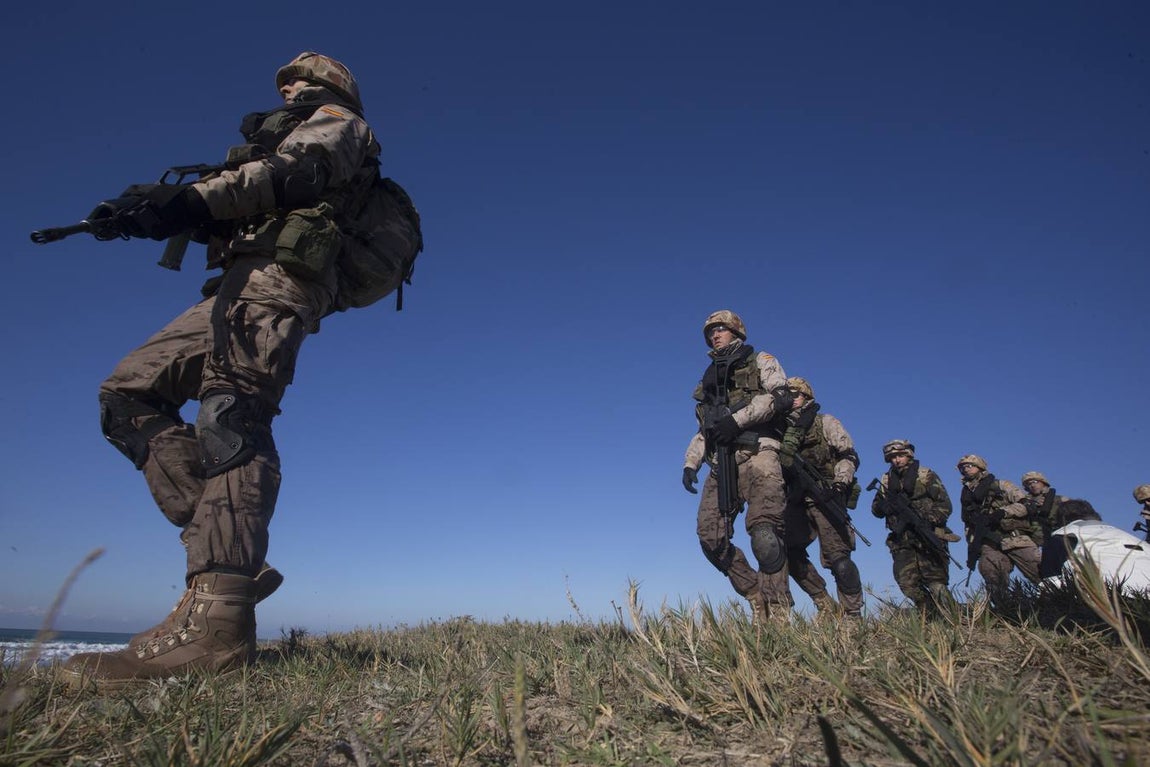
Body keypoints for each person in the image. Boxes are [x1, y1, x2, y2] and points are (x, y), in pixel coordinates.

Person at [65, 53, 384, 686]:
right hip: (232, 289)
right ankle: (223, 552)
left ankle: (217, 625)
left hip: (279, 283)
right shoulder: (283, 129)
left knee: (231, 415)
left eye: (298, 79)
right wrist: (145, 212)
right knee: (128, 394)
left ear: (331, 88)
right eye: (285, 83)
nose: (286, 87)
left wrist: (184, 202)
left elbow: (293, 176)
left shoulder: (335, 121)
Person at [682, 310, 795, 625]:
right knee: (710, 537)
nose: (714, 335)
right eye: (710, 332)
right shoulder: (708, 380)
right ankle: (755, 594)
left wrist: (738, 420)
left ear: (736, 332)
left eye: (720, 329)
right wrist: (691, 462)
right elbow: (705, 428)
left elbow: (780, 396)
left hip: (759, 452)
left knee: (765, 534)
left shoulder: (761, 360)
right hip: (722, 460)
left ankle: (779, 613)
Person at [778, 377, 864, 618]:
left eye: (795, 394)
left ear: (806, 397)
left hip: (824, 496)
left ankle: (852, 612)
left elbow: (848, 455)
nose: (791, 399)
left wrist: (839, 485)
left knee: (839, 559)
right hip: (795, 500)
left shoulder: (824, 422)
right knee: (786, 553)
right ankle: (824, 603)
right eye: (787, 394)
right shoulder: (779, 430)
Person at [870, 440, 958, 614]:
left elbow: (945, 504)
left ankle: (952, 617)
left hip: (927, 535)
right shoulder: (886, 481)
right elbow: (875, 509)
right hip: (901, 540)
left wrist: (929, 519)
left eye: (900, 455)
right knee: (907, 584)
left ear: (908, 455)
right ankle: (929, 614)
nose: (897, 460)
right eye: (893, 457)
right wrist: (883, 507)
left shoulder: (925, 475)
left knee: (936, 582)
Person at [958, 455, 1040, 601]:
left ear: (980, 467)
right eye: (963, 467)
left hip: (1015, 538)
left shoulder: (1002, 485)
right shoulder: (966, 495)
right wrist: (972, 548)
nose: (966, 469)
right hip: (989, 544)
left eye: (970, 465)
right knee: (993, 580)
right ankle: (1004, 612)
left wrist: (1003, 512)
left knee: (1042, 575)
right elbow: (969, 524)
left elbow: (1028, 505)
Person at [1019, 471, 1071, 545]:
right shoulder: (1025, 503)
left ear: (1043, 483)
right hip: (1036, 542)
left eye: (1035, 482)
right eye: (1029, 484)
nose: (1032, 485)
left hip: (1060, 537)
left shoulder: (1061, 500)